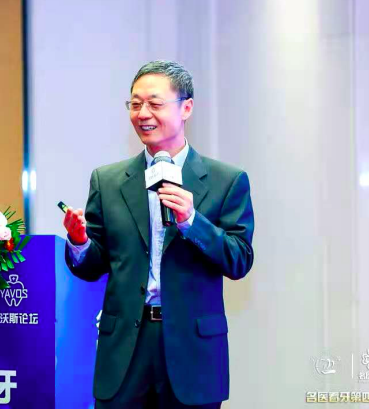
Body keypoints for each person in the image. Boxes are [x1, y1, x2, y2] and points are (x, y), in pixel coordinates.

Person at [63, 60, 254, 409]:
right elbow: (94, 264)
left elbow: (239, 259)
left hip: (191, 351)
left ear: (186, 108)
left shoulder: (226, 180)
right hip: (125, 349)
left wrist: (192, 221)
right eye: (135, 104)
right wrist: (79, 242)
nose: (143, 114)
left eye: (154, 103)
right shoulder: (107, 181)